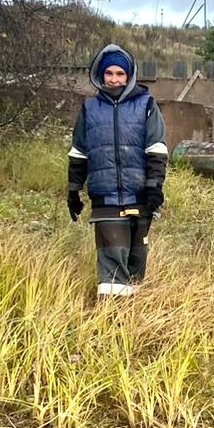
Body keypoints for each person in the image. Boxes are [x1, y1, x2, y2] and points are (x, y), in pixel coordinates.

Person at [67, 44, 168, 297]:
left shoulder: (146, 104)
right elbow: (79, 152)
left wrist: (154, 186)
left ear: (129, 75)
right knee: (112, 266)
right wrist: (73, 190)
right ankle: (110, 316)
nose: (114, 79)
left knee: (135, 265)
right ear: (100, 75)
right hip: (105, 199)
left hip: (140, 197)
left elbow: (156, 149)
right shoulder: (89, 108)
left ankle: (132, 316)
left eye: (120, 74)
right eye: (109, 73)